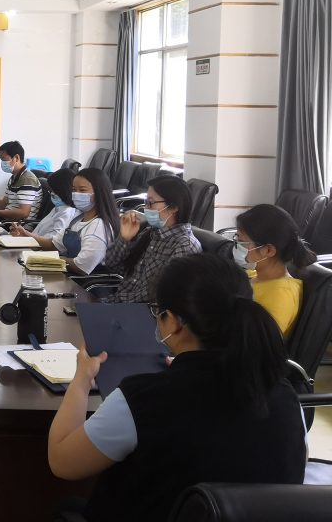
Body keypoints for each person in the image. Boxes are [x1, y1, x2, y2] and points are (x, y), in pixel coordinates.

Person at [47, 254, 306, 522]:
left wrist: (81, 379)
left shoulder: (143, 398)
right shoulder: (286, 397)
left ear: (173, 321)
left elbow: (62, 461)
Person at [100, 174, 201, 303]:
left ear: (174, 207)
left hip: (141, 311)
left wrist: (112, 303)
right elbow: (111, 265)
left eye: (150, 203)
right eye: (145, 202)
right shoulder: (150, 233)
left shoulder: (184, 245)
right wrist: (124, 239)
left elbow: (157, 294)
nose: (145, 208)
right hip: (121, 303)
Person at [12, 168, 118, 274]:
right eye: (74, 190)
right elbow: (54, 244)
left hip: (83, 281)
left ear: (99, 193)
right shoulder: (78, 219)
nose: (76, 194)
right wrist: (26, 235)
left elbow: (81, 267)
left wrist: (52, 259)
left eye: (82, 190)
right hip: (68, 273)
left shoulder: (98, 227)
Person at [235, 203, 313, 337]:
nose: (237, 246)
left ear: (268, 250)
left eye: (242, 243)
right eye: (236, 239)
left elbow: (259, 343)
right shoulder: (253, 274)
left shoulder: (281, 295)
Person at [27, 168, 80, 241]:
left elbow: (53, 240)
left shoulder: (67, 212)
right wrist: (25, 235)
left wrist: (27, 235)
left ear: (63, 191)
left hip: (40, 245)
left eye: (54, 191)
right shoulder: (58, 207)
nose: (52, 193)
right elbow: (40, 230)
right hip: (33, 242)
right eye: (51, 190)